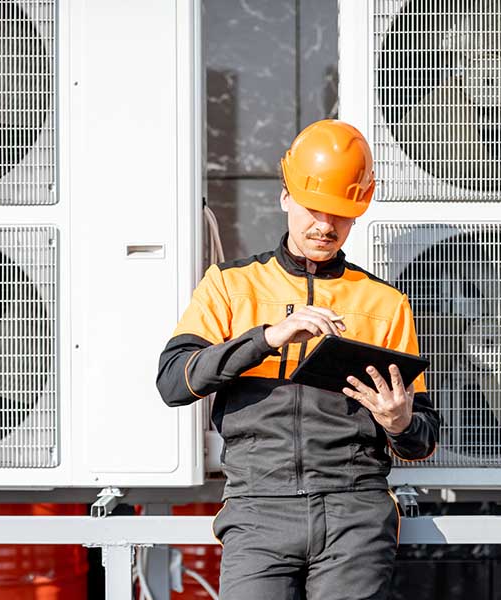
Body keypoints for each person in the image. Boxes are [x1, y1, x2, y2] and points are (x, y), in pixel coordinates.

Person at [156, 119, 440, 599]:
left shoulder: (385, 302)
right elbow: (174, 383)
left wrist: (399, 422)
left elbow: (423, 440)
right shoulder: (230, 284)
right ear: (285, 196)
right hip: (257, 511)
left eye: (341, 214)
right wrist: (266, 338)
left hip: (355, 513)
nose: (325, 226)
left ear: (360, 209)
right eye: (313, 208)